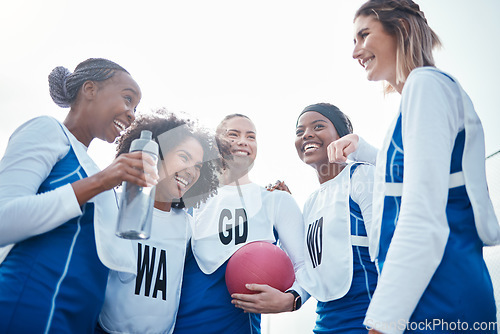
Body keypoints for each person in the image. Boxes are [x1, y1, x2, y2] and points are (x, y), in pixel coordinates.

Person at [328, 1, 500, 333]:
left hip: (441, 293)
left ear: (401, 30)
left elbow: (422, 215)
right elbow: (417, 179)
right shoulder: (421, 95)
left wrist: (384, 319)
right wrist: (363, 150)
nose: (355, 52)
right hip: (432, 289)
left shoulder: (426, 86)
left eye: (364, 35)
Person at [0, 58, 158, 333]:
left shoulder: (96, 172)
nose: (132, 113)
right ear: (90, 90)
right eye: (127, 99)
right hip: (30, 308)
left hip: (76, 321)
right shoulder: (47, 130)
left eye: (135, 106)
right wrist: (101, 181)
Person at [173, 114, 307, 334]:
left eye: (251, 136)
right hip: (180, 326)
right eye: (233, 135)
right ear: (214, 146)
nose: (243, 141)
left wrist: (292, 299)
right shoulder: (186, 199)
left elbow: (303, 266)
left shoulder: (275, 200)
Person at [96, 110, 220, 334]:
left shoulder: (187, 228)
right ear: (156, 154)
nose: (191, 171)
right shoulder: (113, 204)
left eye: (198, 166)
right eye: (184, 157)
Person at [266, 103, 378, 333]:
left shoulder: (362, 175)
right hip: (325, 324)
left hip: (368, 320)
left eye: (318, 126)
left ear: (342, 136)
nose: (307, 134)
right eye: (299, 131)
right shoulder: (310, 202)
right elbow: (309, 268)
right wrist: (280, 213)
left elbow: (390, 250)